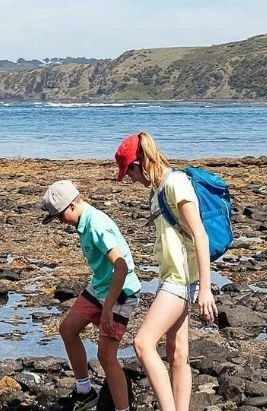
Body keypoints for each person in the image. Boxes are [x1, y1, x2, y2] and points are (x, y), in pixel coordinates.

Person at [115, 131, 218, 411]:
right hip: (172, 277)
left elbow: (200, 235)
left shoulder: (176, 183)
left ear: (139, 164)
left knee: (143, 344)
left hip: (180, 280)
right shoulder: (157, 190)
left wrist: (205, 290)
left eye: (130, 173)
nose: (131, 180)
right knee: (177, 353)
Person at [42, 180, 141, 411]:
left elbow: (122, 267)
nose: (59, 221)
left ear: (72, 206)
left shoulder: (97, 224)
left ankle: (122, 409)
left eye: (59, 215)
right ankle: (85, 392)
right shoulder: (82, 222)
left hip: (121, 292)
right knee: (67, 329)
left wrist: (107, 309)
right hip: (100, 286)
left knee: (106, 356)